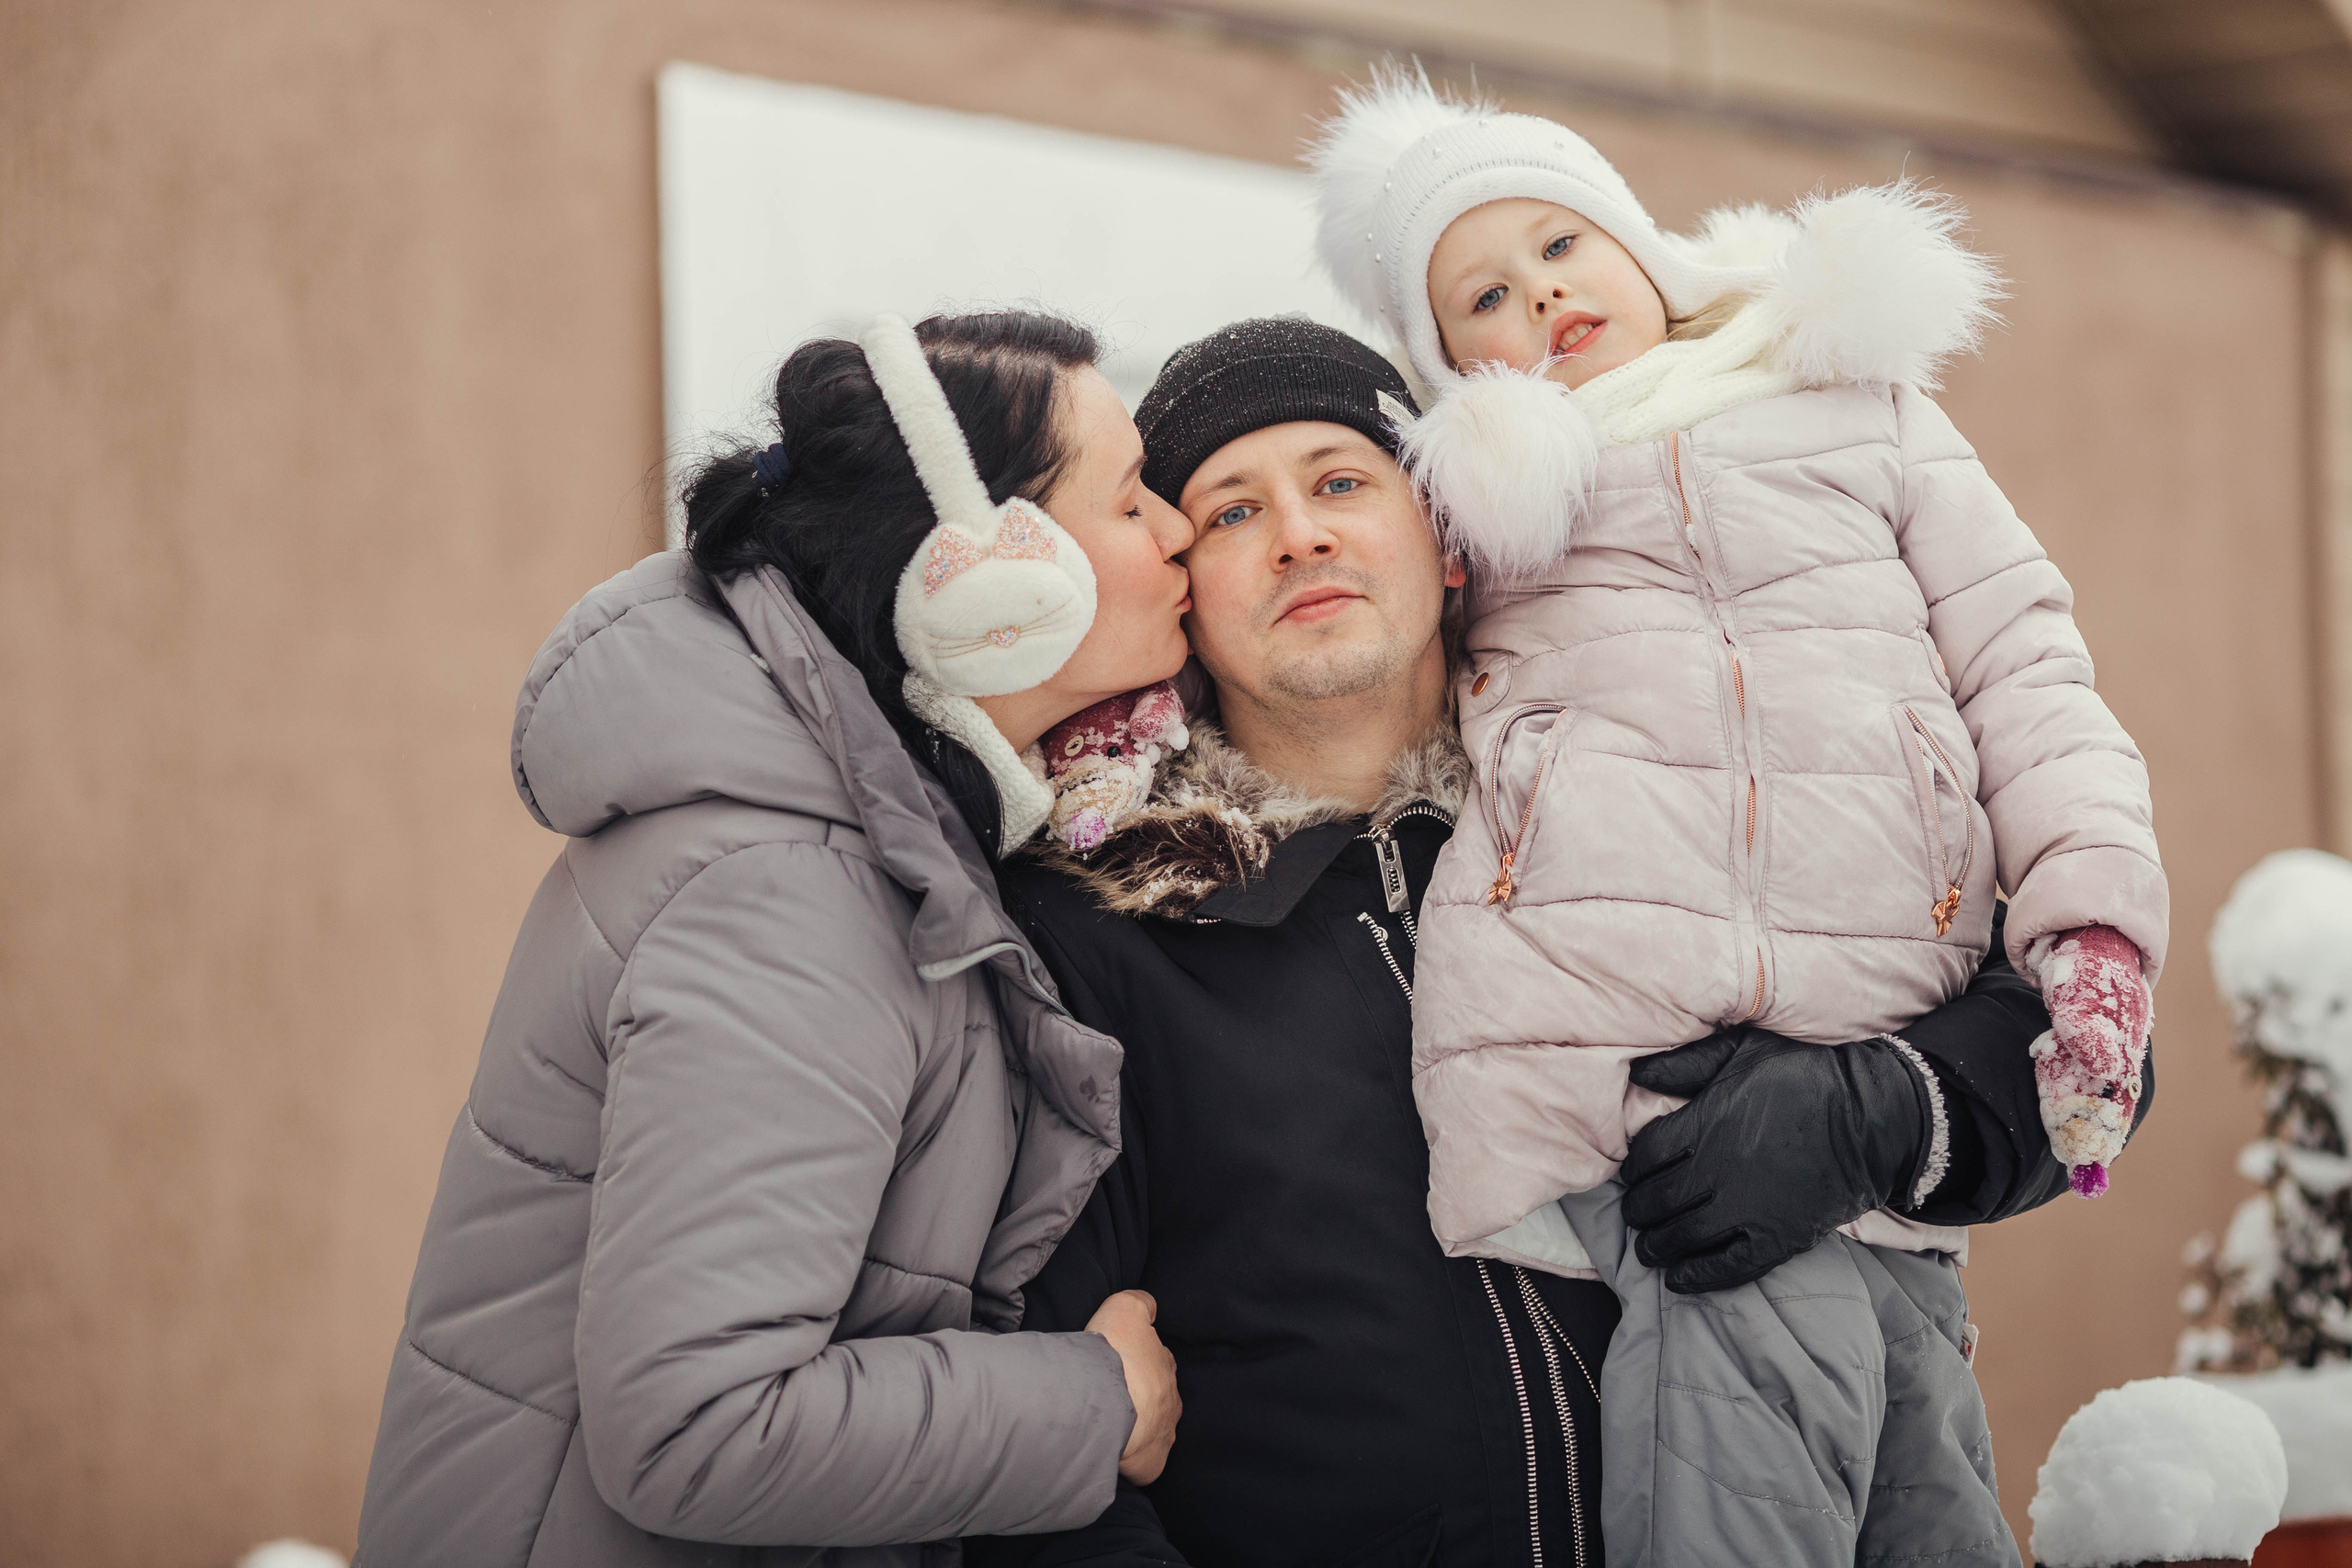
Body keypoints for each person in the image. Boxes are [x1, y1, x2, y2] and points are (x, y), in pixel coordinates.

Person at [967, 315, 2150, 1568]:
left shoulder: (1663, 776)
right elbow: (1052, 1434)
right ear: (1184, 596)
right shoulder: (1101, 936)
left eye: (1341, 482)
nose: (1300, 534)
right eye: (1230, 513)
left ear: (1452, 541)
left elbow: (2086, 1036)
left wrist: (1885, 1112)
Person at [1305, 73, 2167, 1566]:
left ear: (1642, 245)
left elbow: (2028, 664)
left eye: (1563, 245)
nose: (1544, 299)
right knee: (1748, 1472)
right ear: (1454, 368)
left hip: (1885, 1039)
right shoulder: (1498, 514)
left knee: (1932, 1488)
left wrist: (2092, 925)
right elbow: (1343, 659)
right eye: (1484, 298)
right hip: (1649, 1096)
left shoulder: (1863, 409)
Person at [356, 310, 1190, 1568]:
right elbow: (699, 1428)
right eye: (1132, 502)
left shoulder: (862, 838)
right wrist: (1093, 1405)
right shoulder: (792, 897)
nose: (1178, 529)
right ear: (994, 588)